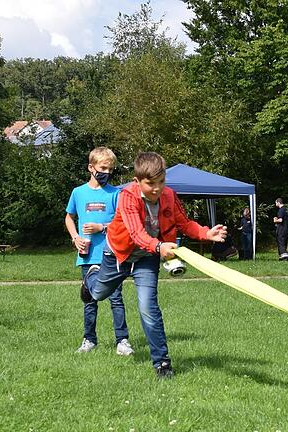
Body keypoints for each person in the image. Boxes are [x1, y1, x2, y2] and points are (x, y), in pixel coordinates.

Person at [82, 152, 227, 378]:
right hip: (118, 254)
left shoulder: (169, 195)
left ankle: (162, 363)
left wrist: (206, 233)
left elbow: (184, 223)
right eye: (150, 184)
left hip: (146, 259)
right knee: (98, 294)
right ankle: (92, 276)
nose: (157, 188)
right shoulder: (127, 196)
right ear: (137, 180)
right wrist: (160, 247)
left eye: (161, 182)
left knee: (148, 307)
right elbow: (136, 233)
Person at [64, 147, 133, 355]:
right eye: (103, 168)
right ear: (91, 167)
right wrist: (75, 237)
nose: (106, 172)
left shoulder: (116, 194)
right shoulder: (78, 193)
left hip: (112, 254)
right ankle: (89, 339)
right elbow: (69, 217)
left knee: (116, 298)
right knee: (90, 299)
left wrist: (101, 228)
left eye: (110, 169)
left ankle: (122, 341)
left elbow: (125, 224)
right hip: (87, 256)